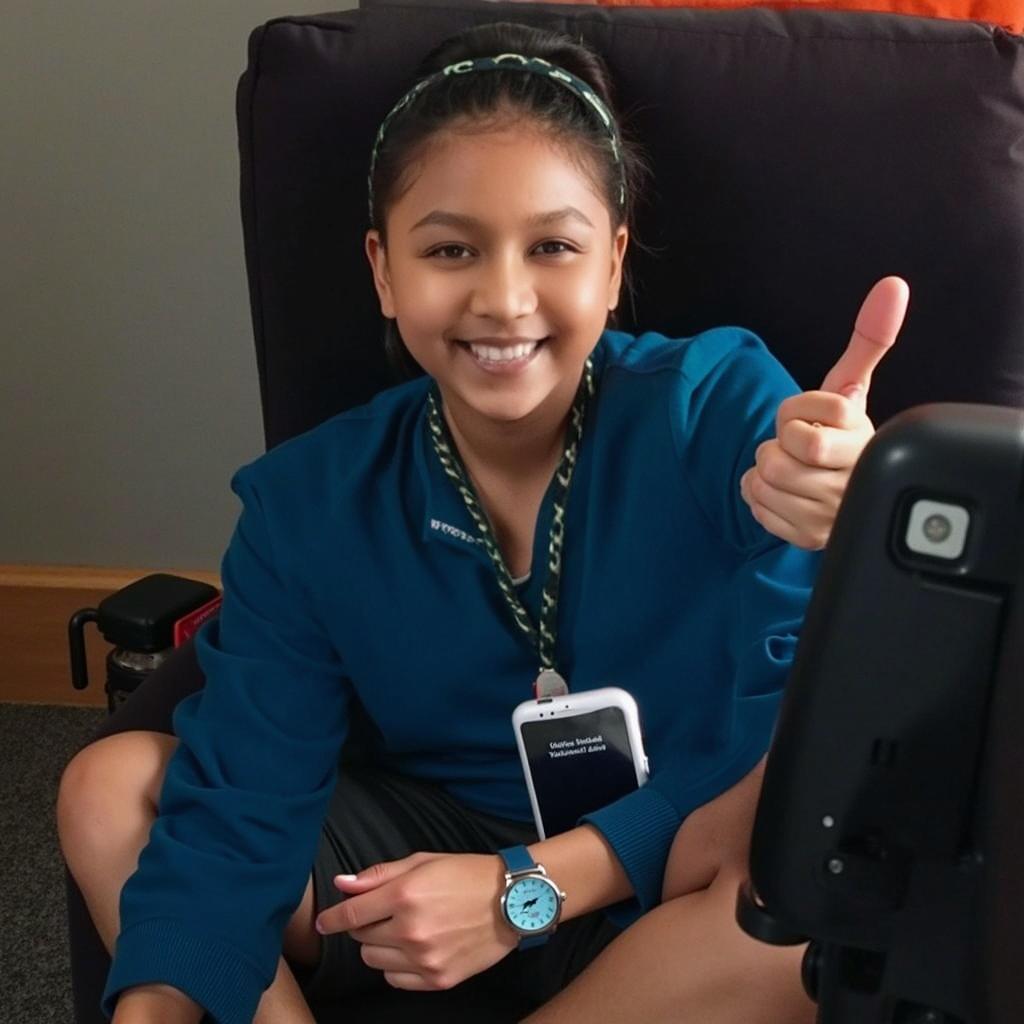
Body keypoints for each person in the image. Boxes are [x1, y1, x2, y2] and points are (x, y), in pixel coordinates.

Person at [57, 20, 908, 1024]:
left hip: (673, 862)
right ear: (383, 269)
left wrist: (860, 517)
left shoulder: (718, 405)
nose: (503, 300)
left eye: (551, 246)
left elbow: (791, 740)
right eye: (450, 249)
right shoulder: (308, 500)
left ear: (613, 261)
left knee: (801, 911)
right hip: (419, 866)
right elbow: (243, 799)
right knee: (113, 786)